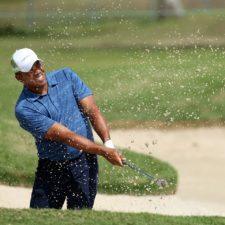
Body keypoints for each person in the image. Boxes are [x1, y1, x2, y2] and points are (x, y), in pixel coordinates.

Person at [11, 48, 124, 209]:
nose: (36, 70)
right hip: (52, 169)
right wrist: (104, 152)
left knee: (79, 218)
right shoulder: (24, 109)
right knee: (40, 217)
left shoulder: (66, 76)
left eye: (37, 64)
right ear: (19, 77)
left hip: (85, 163)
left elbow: (93, 111)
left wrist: (109, 144)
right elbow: (66, 136)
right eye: (29, 69)